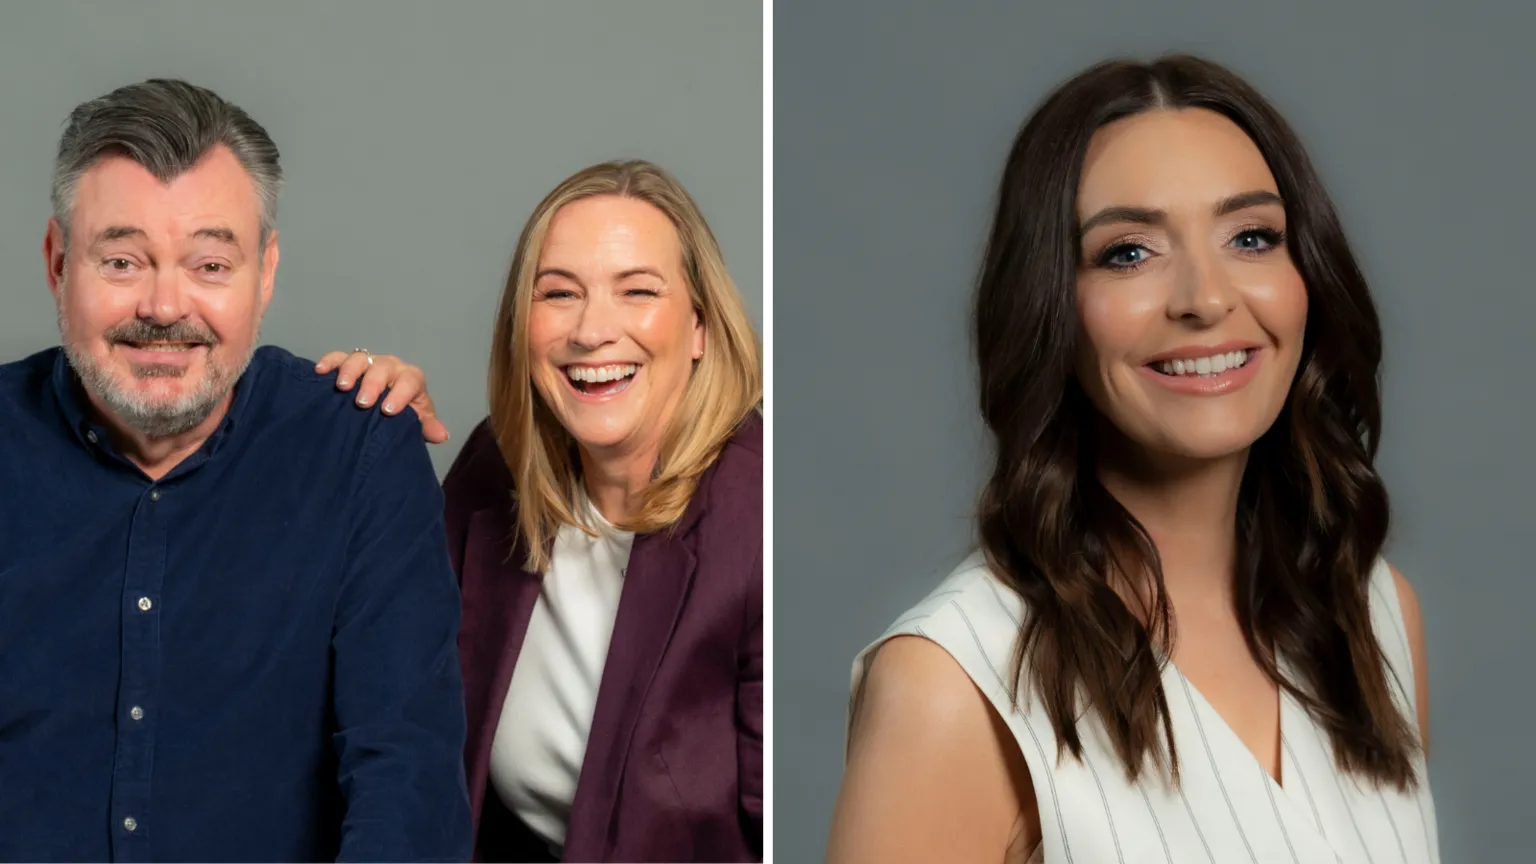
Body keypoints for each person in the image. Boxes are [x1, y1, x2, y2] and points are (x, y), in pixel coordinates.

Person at [827, 55, 1439, 864]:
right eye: (1128, 252)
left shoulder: (1374, 614)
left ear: (1308, 276)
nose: (1206, 297)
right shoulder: (951, 688)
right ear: (1049, 306)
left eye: (1252, 236)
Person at [0, 79, 472, 861]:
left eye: (210, 264)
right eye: (121, 260)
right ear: (57, 264)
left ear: (266, 272)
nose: (163, 305)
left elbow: (406, 782)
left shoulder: (359, 454)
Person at [322, 160, 764, 862]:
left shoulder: (759, 526)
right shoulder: (497, 467)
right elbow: (389, 698)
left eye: (638, 291)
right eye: (558, 294)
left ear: (701, 329)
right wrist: (361, 425)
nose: (592, 331)